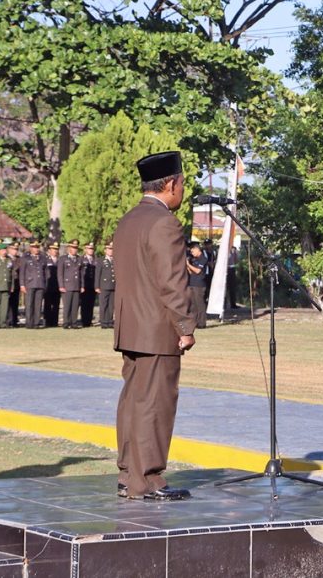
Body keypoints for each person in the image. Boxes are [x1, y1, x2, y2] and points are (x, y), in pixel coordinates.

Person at [113, 150, 195, 501]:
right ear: (172, 183)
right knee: (155, 404)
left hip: (131, 327)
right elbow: (171, 282)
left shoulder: (129, 219)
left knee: (133, 401)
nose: (183, 191)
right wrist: (185, 326)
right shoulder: (164, 223)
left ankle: (128, 474)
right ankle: (147, 479)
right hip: (157, 329)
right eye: (183, 184)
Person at [19, 241, 47, 328]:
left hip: (40, 284)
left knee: (38, 305)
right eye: (34, 247)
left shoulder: (43, 258)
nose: (36, 249)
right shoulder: (26, 258)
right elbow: (22, 272)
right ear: (30, 248)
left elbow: (45, 272)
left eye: (37, 247)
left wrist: (45, 284)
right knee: (29, 304)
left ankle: (36, 322)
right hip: (30, 284)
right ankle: (29, 323)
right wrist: (22, 284)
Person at [58, 240, 84, 329]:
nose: (75, 250)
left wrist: (82, 286)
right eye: (73, 248)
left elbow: (81, 274)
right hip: (67, 286)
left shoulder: (79, 259)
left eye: (76, 248)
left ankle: (74, 322)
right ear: (69, 248)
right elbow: (60, 273)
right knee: (67, 305)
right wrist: (61, 285)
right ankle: (66, 322)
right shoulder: (63, 259)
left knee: (75, 305)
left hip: (76, 285)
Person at [186, 242, 208, 328]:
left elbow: (198, 271)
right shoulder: (194, 259)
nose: (192, 253)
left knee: (200, 304)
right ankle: (194, 322)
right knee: (193, 305)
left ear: (197, 250)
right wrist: (187, 266)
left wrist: (188, 265)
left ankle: (202, 323)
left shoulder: (203, 259)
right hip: (192, 283)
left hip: (199, 284)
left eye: (193, 251)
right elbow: (191, 272)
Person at [95, 242, 116, 329]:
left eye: (112, 249)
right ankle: (103, 321)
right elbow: (98, 274)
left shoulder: (115, 260)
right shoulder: (101, 260)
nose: (111, 251)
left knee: (111, 305)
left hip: (113, 286)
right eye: (109, 249)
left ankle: (109, 321)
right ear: (105, 250)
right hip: (103, 286)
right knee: (104, 304)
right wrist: (97, 286)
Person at [44, 243, 61, 327]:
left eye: (56, 249)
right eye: (53, 249)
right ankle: (47, 322)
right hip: (48, 286)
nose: (55, 251)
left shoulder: (60, 260)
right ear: (49, 250)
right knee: (47, 304)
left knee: (56, 305)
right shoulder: (45, 260)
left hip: (57, 285)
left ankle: (55, 322)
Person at [81, 242, 98, 327]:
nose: (91, 250)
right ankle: (84, 321)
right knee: (84, 304)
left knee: (91, 304)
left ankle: (89, 320)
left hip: (93, 285)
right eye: (89, 248)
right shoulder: (81, 259)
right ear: (85, 249)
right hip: (85, 285)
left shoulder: (96, 259)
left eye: (92, 249)